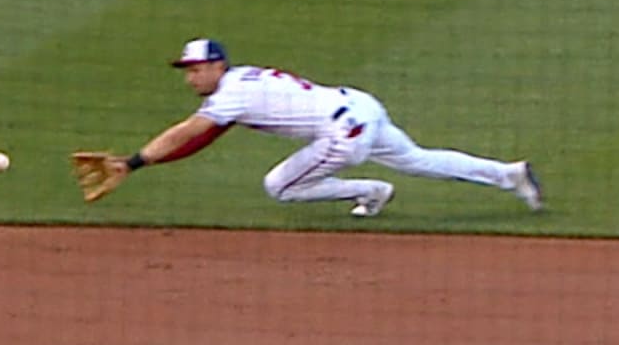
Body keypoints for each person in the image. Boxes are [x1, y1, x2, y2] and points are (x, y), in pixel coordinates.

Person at [104, 38, 542, 216]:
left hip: (343, 133)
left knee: (280, 187)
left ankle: (369, 191)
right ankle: (508, 173)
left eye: (196, 69)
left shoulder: (230, 95)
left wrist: (133, 161)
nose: (190, 77)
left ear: (218, 65)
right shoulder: (239, 85)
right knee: (417, 159)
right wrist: (141, 166)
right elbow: (198, 141)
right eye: (187, 70)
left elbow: (186, 131)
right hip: (361, 106)